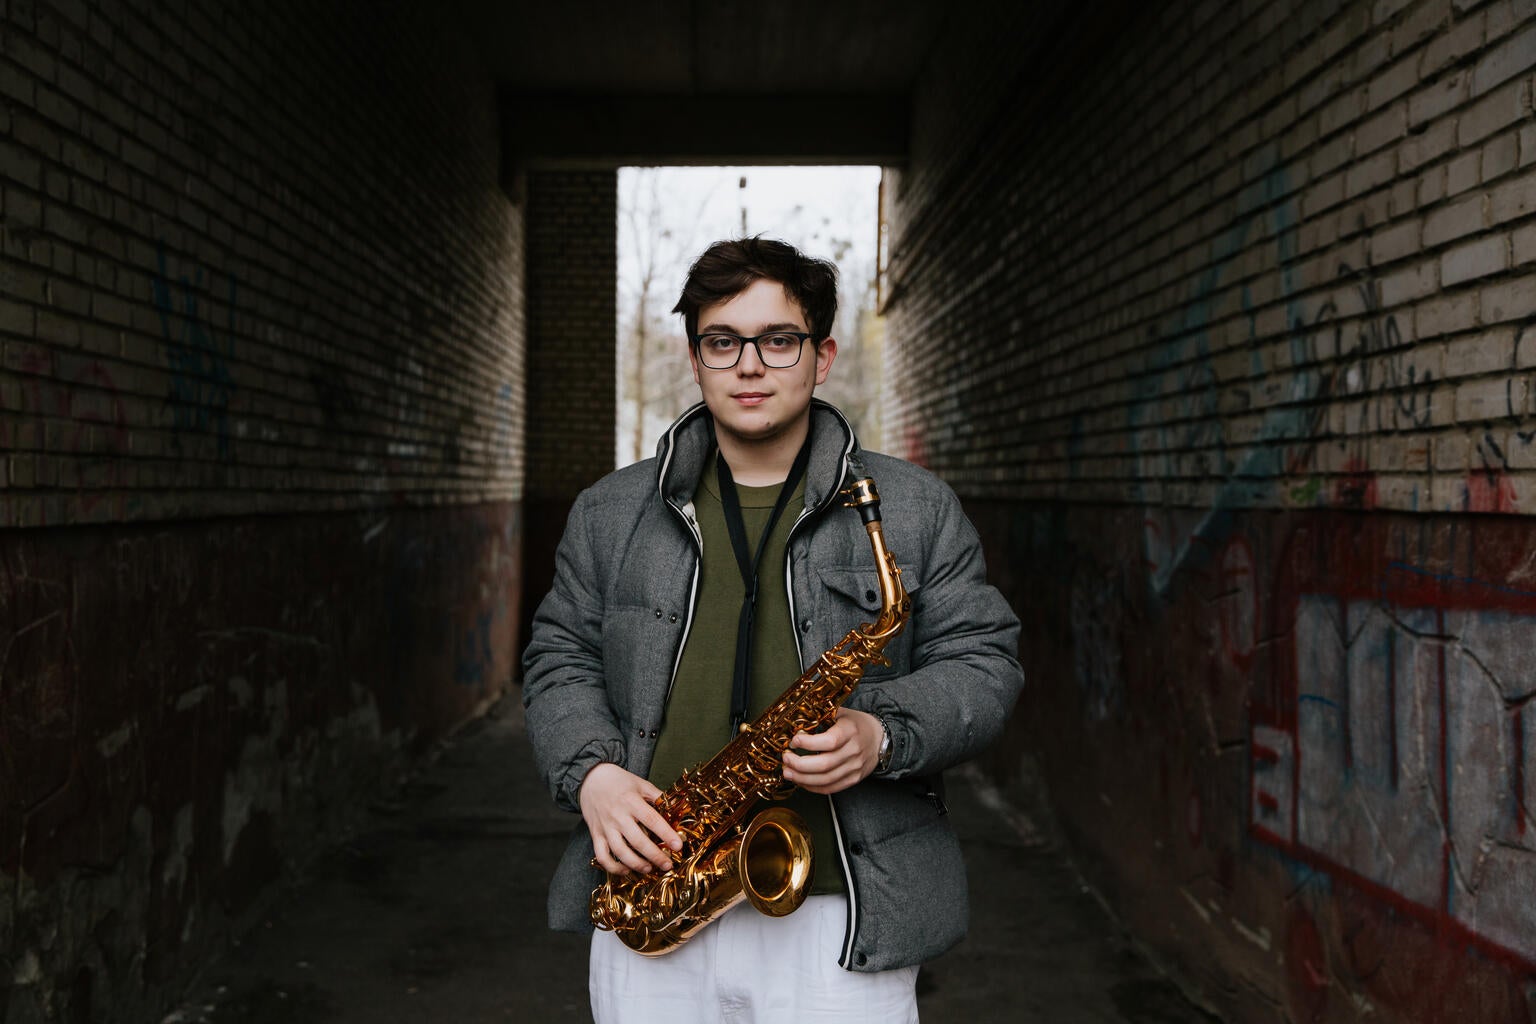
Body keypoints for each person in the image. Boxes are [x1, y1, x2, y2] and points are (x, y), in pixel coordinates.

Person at [522, 237, 1023, 1023]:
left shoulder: (916, 508)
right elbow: (558, 655)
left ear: (821, 357)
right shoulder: (609, 513)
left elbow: (985, 663)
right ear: (696, 359)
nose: (749, 364)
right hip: (653, 898)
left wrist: (881, 733)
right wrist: (593, 775)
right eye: (723, 341)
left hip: (843, 914)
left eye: (777, 339)